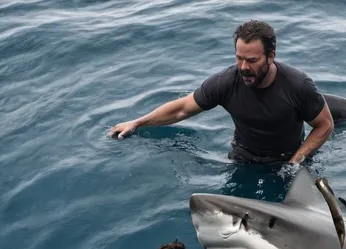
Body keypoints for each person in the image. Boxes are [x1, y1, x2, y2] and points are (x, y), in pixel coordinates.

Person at [109, 20, 334, 166]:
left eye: (252, 60)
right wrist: (137, 123)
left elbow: (324, 124)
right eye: (239, 58)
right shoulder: (225, 82)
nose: (244, 66)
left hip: (288, 160)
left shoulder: (297, 85)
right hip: (242, 159)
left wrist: (296, 161)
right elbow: (181, 109)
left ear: (271, 57)